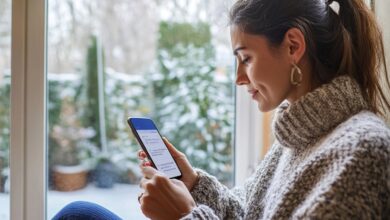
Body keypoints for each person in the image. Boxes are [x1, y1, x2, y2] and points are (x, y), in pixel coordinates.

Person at [54, 0, 390, 219]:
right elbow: (247, 215)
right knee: (79, 213)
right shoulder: (297, 138)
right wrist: (193, 181)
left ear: (293, 46)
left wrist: (184, 214)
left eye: (246, 58)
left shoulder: (363, 150)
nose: (238, 78)